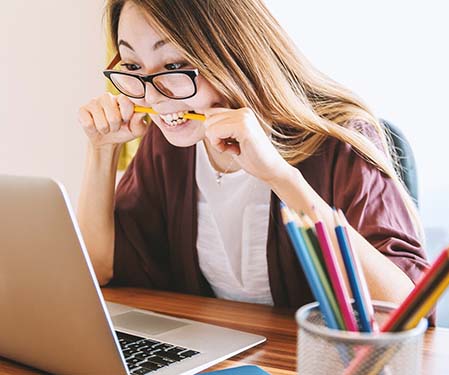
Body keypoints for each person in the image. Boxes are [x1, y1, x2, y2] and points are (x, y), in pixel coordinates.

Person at [77, 0, 430, 310]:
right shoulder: (168, 144)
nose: (153, 97)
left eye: (173, 66)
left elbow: (404, 309)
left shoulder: (340, 139)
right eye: (134, 66)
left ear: (232, 53)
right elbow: (99, 268)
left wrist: (281, 176)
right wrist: (102, 150)